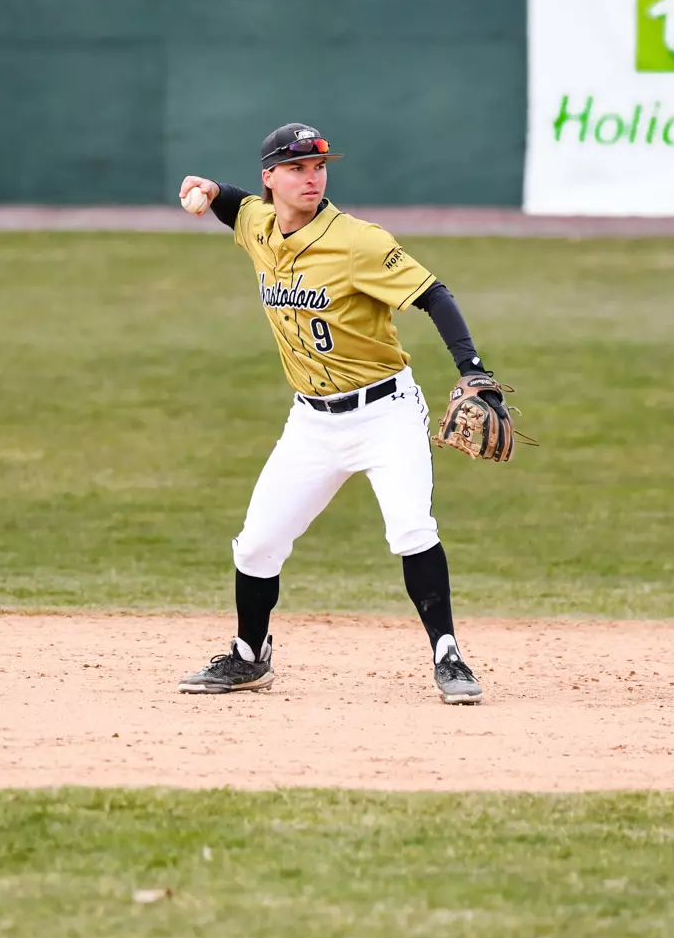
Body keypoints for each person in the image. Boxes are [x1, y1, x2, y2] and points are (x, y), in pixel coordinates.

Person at [175, 123, 507, 704]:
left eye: (319, 166)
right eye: (297, 168)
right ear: (270, 178)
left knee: (411, 529)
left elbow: (436, 295)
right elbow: (238, 209)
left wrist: (472, 369)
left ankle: (448, 656)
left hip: (386, 414)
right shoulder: (260, 222)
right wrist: (209, 189)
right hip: (310, 422)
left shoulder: (359, 241)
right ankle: (250, 657)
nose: (311, 178)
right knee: (256, 545)